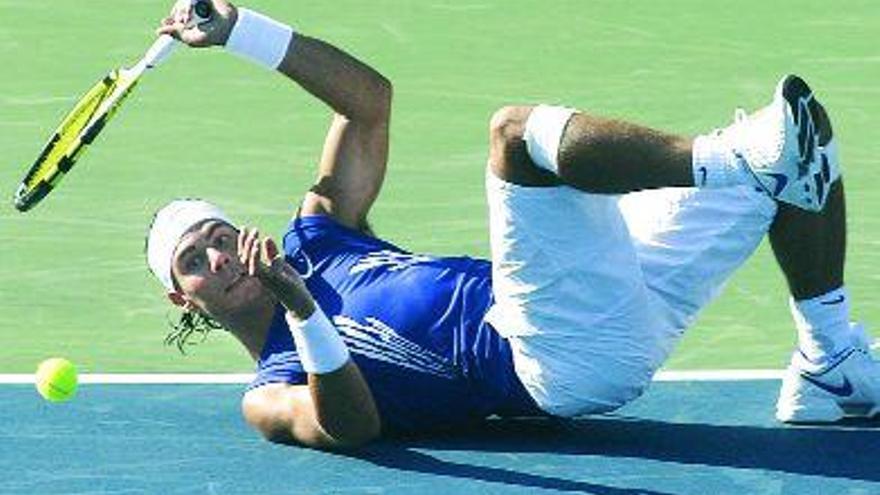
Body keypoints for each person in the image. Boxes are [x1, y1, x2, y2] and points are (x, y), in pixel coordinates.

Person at [146, 0, 878, 450]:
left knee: (792, 145)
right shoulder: (268, 386)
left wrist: (242, 30)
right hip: (547, 358)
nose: (216, 252)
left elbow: (366, 101)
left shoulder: (319, 235)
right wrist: (301, 304)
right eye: (193, 258)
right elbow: (351, 426)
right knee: (515, 135)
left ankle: (829, 361)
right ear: (184, 298)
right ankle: (725, 156)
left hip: (591, 297)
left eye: (216, 233)